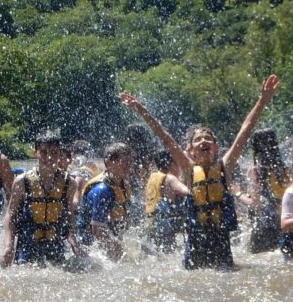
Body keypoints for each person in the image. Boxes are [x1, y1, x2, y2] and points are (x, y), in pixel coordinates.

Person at [119, 74, 280, 270]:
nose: (203, 142)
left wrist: (263, 99)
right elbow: (164, 136)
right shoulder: (187, 169)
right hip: (195, 243)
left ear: (216, 147)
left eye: (208, 139)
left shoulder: (224, 167)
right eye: (198, 140)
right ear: (191, 150)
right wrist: (140, 109)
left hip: (221, 242)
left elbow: (245, 131)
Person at [0, 130, 86, 267]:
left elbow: (70, 217)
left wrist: (75, 244)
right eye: (44, 152)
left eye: (54, 153)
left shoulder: (69, 184)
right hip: (26, 246)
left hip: (55, 245)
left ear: (59, 155)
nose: (49, 157)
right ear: (35, 153)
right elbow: (10, 215)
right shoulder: (22, 182)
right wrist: (8, 246)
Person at [78, 143, 135, 261]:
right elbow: (96, 230)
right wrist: (116, 249)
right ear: (109, 162)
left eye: (130, 161)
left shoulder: (124, 184)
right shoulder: (102, 190)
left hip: (108, 237)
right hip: (89, 247)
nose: (129, 166)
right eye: (124, 162)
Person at [238, 129, 291, 253]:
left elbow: (255, 204)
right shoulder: (284, 169)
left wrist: (237, 193)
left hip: (265, 225)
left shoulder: (255, 170)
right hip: (283, 222)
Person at [143, 149, 189, 254]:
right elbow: (188, 192)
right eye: (178, 164)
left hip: (151, 228)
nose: (180, 168)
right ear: (170, 164)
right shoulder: (170, 178)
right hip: (165, 230)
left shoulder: (153, 177)